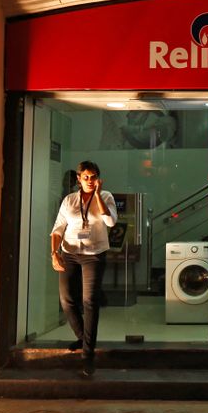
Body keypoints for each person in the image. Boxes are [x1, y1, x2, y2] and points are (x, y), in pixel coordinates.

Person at [50, 160, 118, 377]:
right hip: (69, 253)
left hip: (94, 255)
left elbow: (111, 222)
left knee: (89, 302)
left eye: (93, 177)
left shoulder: (106, 197)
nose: (89, 181)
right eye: (85, 177)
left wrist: (97, 195)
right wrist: (54, 253)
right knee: (67, 300)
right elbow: (58, 229)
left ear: (98, 178)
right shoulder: (69, 200)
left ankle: (87, 355)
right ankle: (82, 336)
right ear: (78, 179)